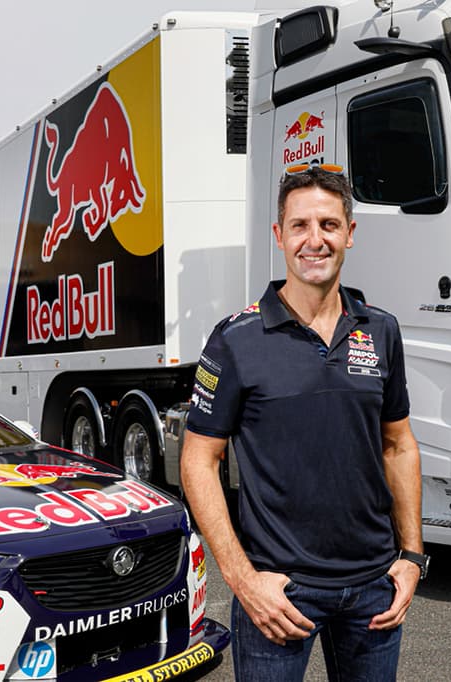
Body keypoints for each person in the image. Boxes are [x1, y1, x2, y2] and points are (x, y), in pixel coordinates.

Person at [181, 164, 427, 681]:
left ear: (350, 234)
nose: (315, 240)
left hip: (374, 591)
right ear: (279, 235)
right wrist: (242, 581)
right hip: (279, 593)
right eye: (300, 226)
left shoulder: (381, 330)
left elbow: (398, 445)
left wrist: (411, 556)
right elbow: (199, 460)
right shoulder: (236, 339)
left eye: (329, 225)